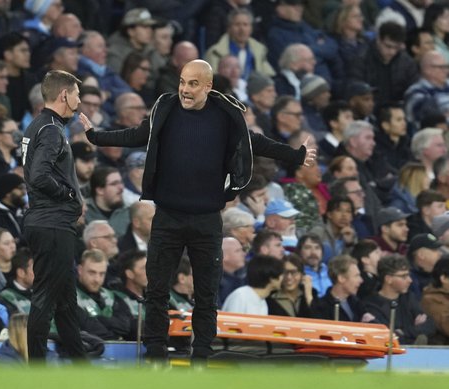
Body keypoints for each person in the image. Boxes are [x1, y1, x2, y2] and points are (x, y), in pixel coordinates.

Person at [80, 59, 316, 362]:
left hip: (207, 219)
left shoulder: (226, 115)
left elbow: (254, 141)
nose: (185, 89)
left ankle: (201, 358)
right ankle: (155, 355)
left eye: (193, 84)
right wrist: (96, 136)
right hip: (167, 215)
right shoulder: (164, 109)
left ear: (208, 86)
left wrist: (295, 155)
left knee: (206, 295)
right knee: (156, 291)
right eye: (182, 82)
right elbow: (137, 135)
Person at [21, 69, 87, 361]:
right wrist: (69, 194)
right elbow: (39, 176)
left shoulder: (38, 125)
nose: (79, 100)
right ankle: (36, 367)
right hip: (52, 223)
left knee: (65, 301)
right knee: (46, 298)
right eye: (76, 94)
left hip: (47, 222)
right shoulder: (51, 130)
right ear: (64, 95)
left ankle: (79, 364)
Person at [364, 254, 436, 345]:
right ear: (388, 279)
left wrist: (402, 332)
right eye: (404, 276)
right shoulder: (371, 305)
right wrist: (414, 330)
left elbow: (430, 325)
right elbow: (387, 336)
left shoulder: (409, 298)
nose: (410, 280)